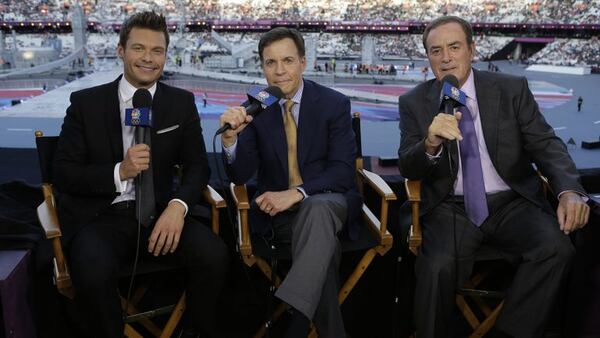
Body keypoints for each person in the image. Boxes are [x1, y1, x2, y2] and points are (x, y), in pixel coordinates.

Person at [398, 16, 590, 338]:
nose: (445, 57)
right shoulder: (414, 102)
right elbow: (409, 166)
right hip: (450, 207)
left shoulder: (511, 89)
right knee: (436, 267)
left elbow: (545, 145)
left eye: (454, 47)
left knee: (556, 249)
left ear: (472, 50)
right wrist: (430, 143)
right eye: (436, 50)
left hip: (512, 203)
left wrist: (569, 191)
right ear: (428, 57)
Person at [53, 11, 228, 338]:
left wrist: (178, 206)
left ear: (165, 54)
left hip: (162, 212)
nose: (148, 58)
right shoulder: (85, 103)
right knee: (91, 269)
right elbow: (63, 173)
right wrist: (120, 170)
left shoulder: (181, 103)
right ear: (121, 50)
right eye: (138, 49)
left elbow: (197, 167)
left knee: (214, 255)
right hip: (102, 216)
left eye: (157, 51)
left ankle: (195, 331)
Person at [219, 27, 360, 338]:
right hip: (282, 220)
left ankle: (294, 326)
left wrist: (296, 193)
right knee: (324, 247)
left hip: (329, 201)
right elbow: (240, 175)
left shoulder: (333, 104)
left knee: (319, 209)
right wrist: (230, 139)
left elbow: (341, 173)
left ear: (303, 62)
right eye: (270, 63)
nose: (279, 71)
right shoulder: (258, 106)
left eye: (287, 61)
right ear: (262, 67)